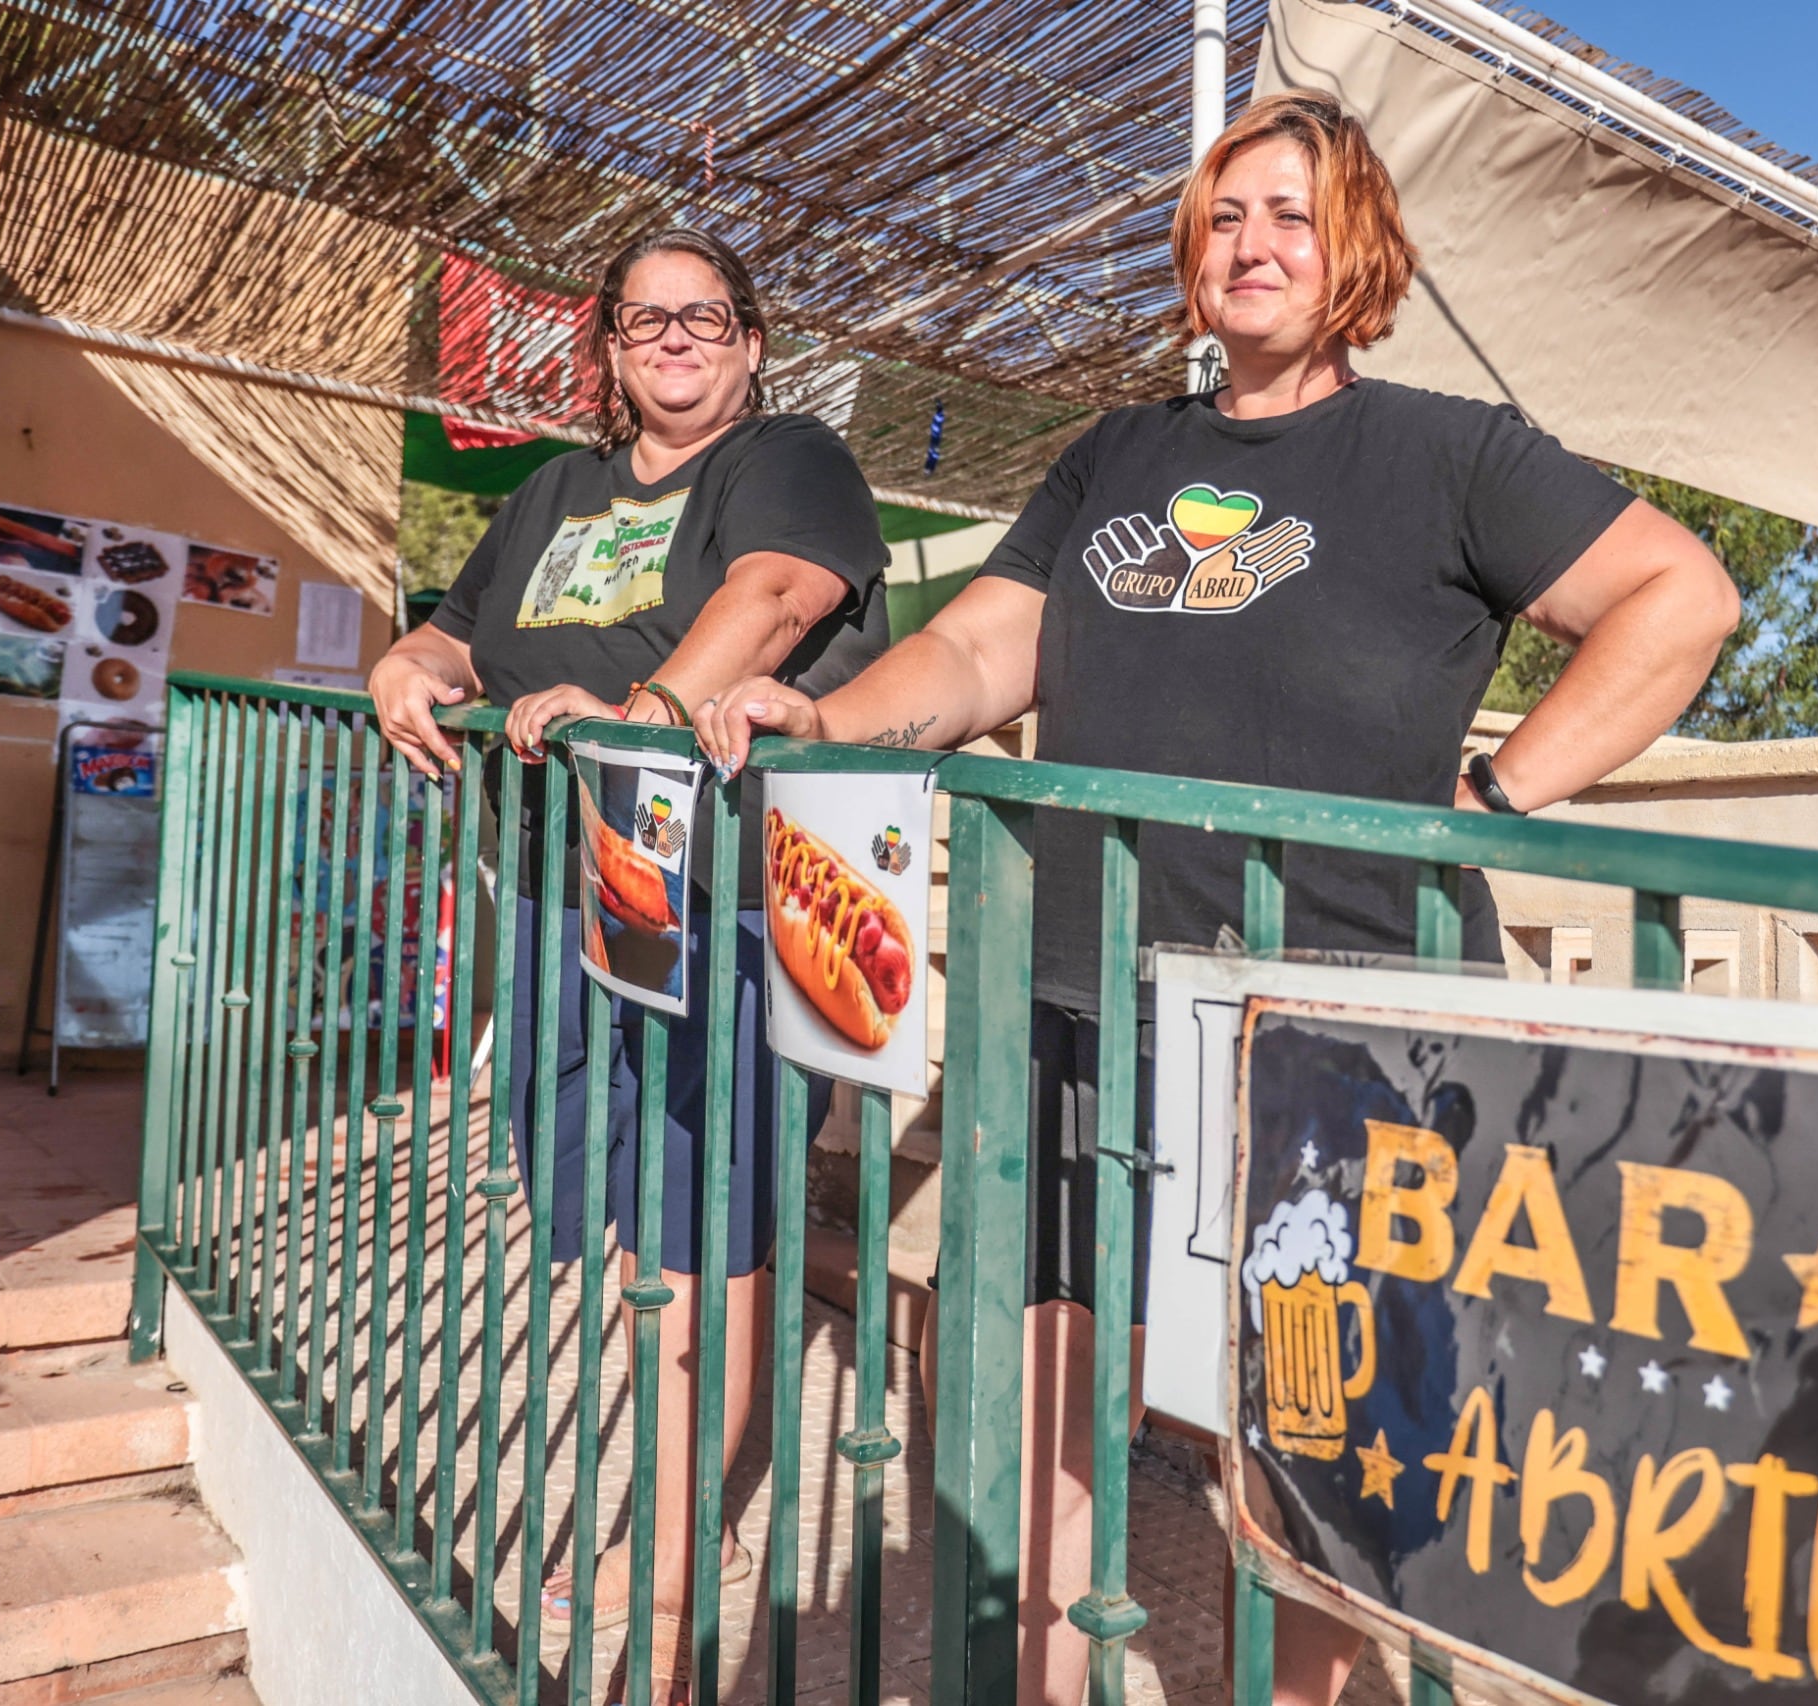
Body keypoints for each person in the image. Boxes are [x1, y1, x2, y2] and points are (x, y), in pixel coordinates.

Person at [695, 90, 1741, 1705]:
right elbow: (983, 649)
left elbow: (1681, 593)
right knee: (1041, 1417)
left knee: (1308, 1458)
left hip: (1335, 1035)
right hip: (1081, 1003)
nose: (1256, 243)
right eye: (1228, 214)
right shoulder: (1120, 450)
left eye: (1295, 216)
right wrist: (830, 721)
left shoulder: (1447, 451)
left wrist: (1499, 792)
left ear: (1359, 254)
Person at [367, 226, 887, 1703]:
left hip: (715, 888)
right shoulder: (551, 489)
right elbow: (462, 636)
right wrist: (410, 663)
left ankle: (670, 1554)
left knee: (701, 1220)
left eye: (703, 317)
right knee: (588, 1182)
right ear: (603, 349)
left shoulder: (785, 459)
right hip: (556, 883)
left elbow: (776, 598)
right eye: (643, 321)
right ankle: (688, 1442)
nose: (672, 341)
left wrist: (638, 711)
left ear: (752, 342)